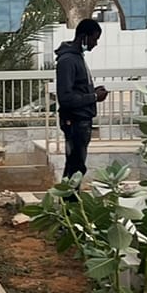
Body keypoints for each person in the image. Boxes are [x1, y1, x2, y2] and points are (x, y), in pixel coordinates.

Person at [54, 17, 109, 178]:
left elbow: (78, 88)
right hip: (75, 121)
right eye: (94, 39)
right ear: (84, 36)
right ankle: (71, 194)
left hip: (81, 120)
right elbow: (66, 97)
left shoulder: (77, 57)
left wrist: (93, 91)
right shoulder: (68, 60)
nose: (95, 44)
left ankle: (70, 193)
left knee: (76, 165)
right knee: (75, 167)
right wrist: (94, 97)